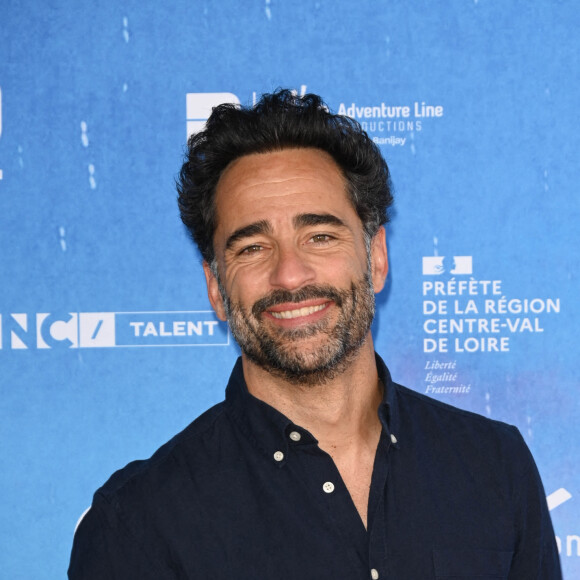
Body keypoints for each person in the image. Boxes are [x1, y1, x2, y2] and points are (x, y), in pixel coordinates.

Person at [68, 90, 561, 579]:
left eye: (320, 236)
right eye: (253, 247)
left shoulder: (496, 466)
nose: (290, 275)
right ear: (216, 287)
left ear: (377, 258)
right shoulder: (138, 523)